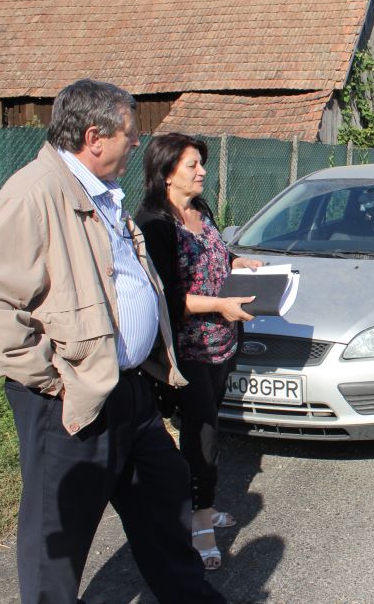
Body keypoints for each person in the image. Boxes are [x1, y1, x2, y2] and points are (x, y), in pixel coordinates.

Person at [0, 80, 225, 603]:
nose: (137, 143)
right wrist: (52, 378)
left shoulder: (100, 192)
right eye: (130, 133)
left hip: (129, 388)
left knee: (164, 497)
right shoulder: (36, 192)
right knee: (57, 539)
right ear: (93, 137)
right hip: (71, 396)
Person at [135, 133, 262, 570]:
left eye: (201, 163)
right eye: (192, 164)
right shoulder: (154, 224)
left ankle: (200, 506)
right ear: (167, 172)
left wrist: (236, 262)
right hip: (186, 351)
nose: (202, 171)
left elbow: (214, 254)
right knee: (201, 436)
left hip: (222, 345)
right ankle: (200, 523)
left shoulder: (200, 212)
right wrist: (219, 305)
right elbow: (166, 297)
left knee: (208, 430)